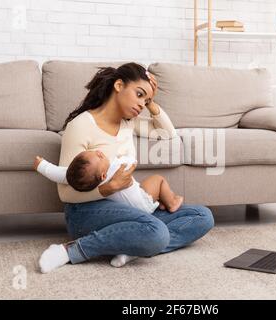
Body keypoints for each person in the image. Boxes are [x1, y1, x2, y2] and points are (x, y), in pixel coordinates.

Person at [38, 62, 214, 273]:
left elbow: (168, 134)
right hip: (86, 212)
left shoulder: (128, 123)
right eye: (139, 95)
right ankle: (71, 251)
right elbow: (65, 193)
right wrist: (108, 188)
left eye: (146, 100)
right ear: (119, 85)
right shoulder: (81, 125)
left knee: (202, 217)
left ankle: (133, 246)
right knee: (157, 233)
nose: (142, 104)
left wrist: (152, 103)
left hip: (130, 207)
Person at [33, 151, 184, 213]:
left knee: (147, 187)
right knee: (158, 179)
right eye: (98, 156)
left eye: (94, 152)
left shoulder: (88, 180)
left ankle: (160, 201)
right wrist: (121, 156)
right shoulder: (115, 168)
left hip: (128, 211)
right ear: (103, 175)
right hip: (143, 203)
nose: (99, 152)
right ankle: (171, 202)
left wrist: (43, 166)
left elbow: (61, 174)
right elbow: (132, 161)